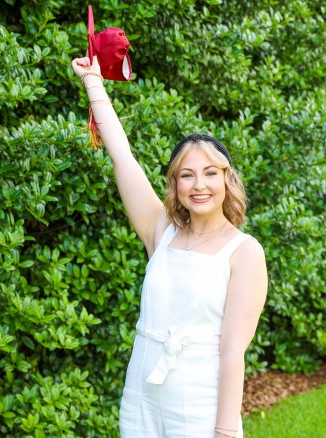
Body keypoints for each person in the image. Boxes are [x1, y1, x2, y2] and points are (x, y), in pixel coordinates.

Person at [71, 55, 268, 438]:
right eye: (187, 175)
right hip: (142, 393)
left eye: (210, 173)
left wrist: (225, 430)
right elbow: (122, 156)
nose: (199, 185)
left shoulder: (244, 252)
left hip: (199, 399)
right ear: (175, 184)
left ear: (227, 180)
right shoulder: (161, 231)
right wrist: (93, 81)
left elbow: (233, 353)